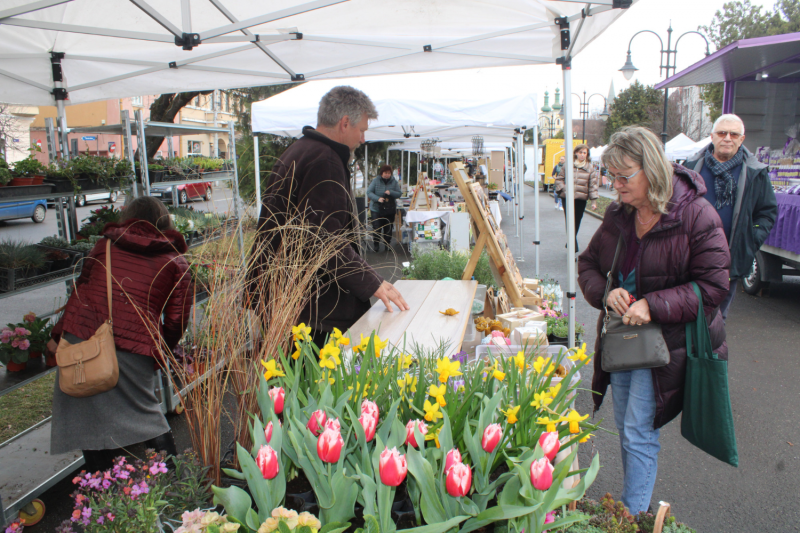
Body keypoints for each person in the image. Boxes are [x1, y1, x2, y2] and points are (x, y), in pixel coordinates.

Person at [578, 126, 731, 515]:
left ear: (653, 170)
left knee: (638, 433)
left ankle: (632, 515)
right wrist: (605, 292)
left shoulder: (696, 214)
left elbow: (714, 287)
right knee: (631, 432)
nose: (615, 185)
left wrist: (653, 305)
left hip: (666, 345)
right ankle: (636, 511)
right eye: (610, 175)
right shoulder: (618, 213)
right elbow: (589, 265)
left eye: (624, 176)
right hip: (624, 341)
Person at [249, 86, 408, 345]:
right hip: (312, 308)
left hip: (287, 297)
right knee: (312, 382)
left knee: (288, 381)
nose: (363, 139)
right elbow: (324, 239)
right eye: (362, 130)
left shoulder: (300, 150)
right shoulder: (325, 160)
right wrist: (372, 282)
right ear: (345, 123)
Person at [48, 196, 193, 471]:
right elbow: (175, 321)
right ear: (164, 222)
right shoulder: (176, 262)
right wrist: (160, 354)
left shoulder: (104, 246)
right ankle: (173, 482)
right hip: (134, 347)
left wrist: (58, 338)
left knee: (85, 413)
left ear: (128, 216)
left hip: (83, 340)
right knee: (146, 415)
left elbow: (79, 292)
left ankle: (102, 489)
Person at [684, 114, 777, 321]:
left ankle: (711, 354)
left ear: (741, 139)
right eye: (722, 133)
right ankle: (685, 353)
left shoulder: (755, 172)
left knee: (717, 318)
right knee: (683, 311)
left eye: (734, 134)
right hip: (689, 254)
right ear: (712, 136)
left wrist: (750, 241)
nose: (728, 138)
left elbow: (767, 212)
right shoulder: (691, 167)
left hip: (729, 257)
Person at [556, 144, 599, 251]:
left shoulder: (590, 168)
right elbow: (559, 179)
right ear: (576, 153)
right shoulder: (568, 165)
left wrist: (593, 201)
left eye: (585, 153)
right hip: (567, 198)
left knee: (576, 222)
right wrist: (563, 188)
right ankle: (573, 247)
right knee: (569, 221)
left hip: (581, 199)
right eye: (580, 152)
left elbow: (593, 185)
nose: (582, 155)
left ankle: (570, 242)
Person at [368, 164, 402, 252]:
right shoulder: (376, 181)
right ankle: (376, 244)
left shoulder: (394, 181)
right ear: (382, 173)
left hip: (389, 209)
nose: (387, 174)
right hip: (376, 208)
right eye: (385, 173)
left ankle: (387, 244)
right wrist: (377, 198)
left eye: (389, 173)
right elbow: (369, 192)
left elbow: (399, 193)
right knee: (377, 227)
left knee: (388, 227)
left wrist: (390, 192)